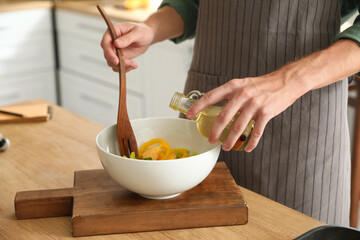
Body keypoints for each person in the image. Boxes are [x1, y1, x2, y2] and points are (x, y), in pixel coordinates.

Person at [101, 0, 360, 225]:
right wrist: (153, 28)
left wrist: (287, 80)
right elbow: (193, 3)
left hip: (303, 126)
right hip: (207, 126)